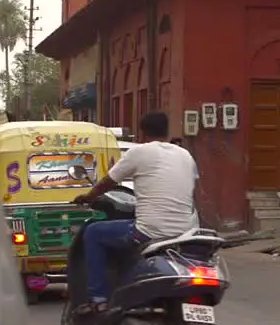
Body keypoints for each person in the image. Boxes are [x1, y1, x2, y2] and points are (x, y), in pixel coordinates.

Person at [71, 111, 198, 313]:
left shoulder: (139, 152)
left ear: (143, 132)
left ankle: (98, 298)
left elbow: (108, 181)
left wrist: (89, 197)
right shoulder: (185, 155)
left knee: (93, 233)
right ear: (167, 130)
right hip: (185, 233)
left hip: (149, 232)